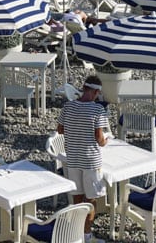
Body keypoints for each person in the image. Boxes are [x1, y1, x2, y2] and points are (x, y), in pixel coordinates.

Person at [56, 74, 110, 241]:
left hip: (73, 158)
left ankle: (75, 233)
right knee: (90, 200)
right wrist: (106, 140)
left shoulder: (68, 106)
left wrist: (76, 131)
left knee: (77, 198)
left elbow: (60, 130)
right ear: (94, 92)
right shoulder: (97, 110)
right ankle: (86, 235)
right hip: (90, 160)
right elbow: (99, 139)